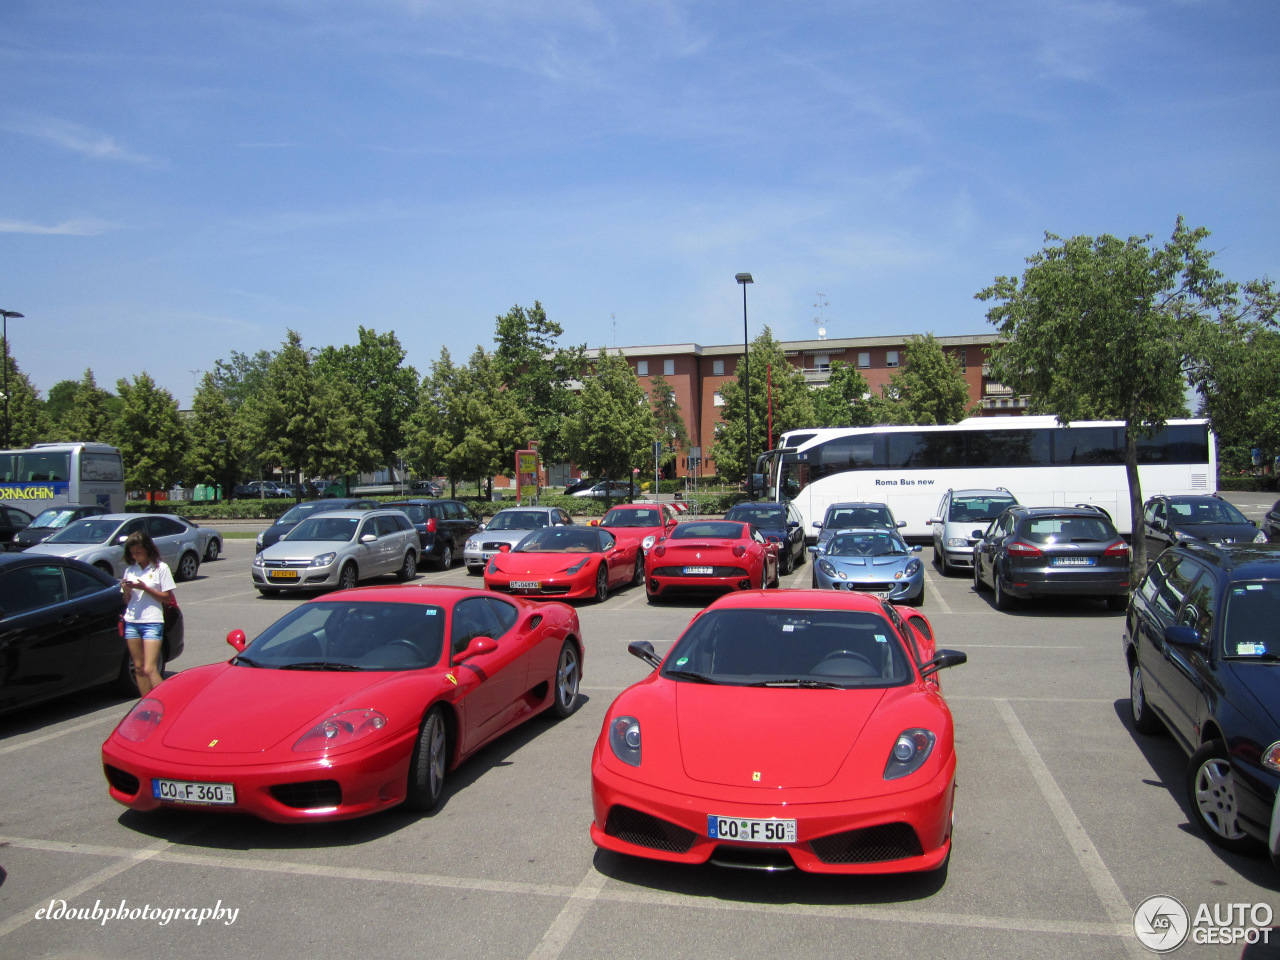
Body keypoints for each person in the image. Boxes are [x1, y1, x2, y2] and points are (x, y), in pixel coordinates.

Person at [120, 531, 175, 696]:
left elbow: (167, 598)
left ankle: (165, 701)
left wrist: (145, 588)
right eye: (132, 553)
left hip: (152, 621)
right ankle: (147, 704)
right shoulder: (131, 570)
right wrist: (127, 591)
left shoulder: (160, 568)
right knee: (138, 667)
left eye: (139, 552)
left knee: (150, 667)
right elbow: (126, 601)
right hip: (132, 621)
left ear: (148, 550)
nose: (136, 556)